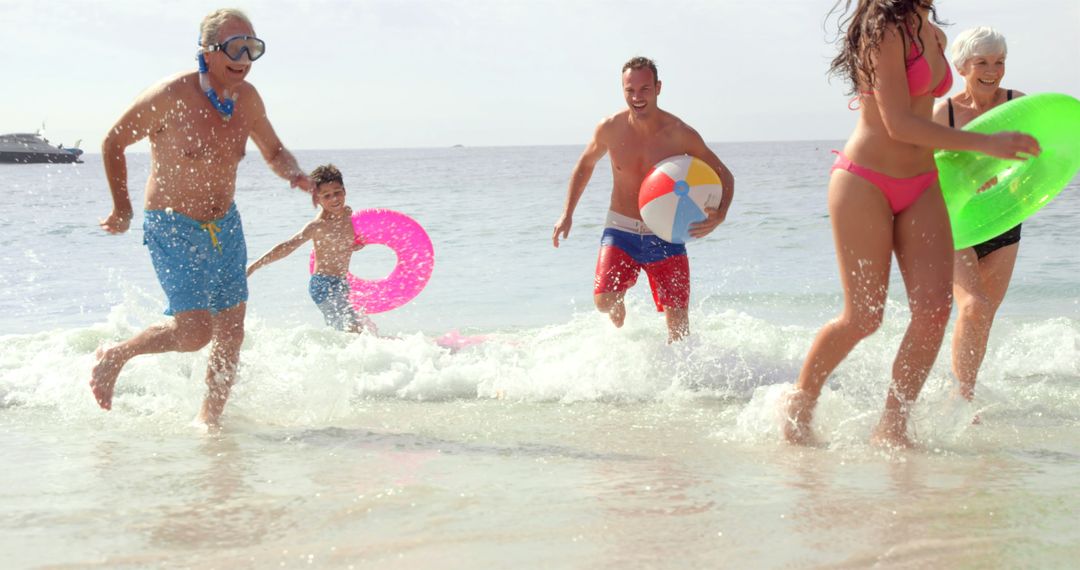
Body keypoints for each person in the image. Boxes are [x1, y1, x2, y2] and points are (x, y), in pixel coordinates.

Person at [783, 1, 1040, 448]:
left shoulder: (934, 34)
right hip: (865, 181)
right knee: (863, 317)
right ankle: (801, 401)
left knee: (935, 311)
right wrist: (987, 144)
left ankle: (893, 425)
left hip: (922, 183)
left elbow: (929, 116)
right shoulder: (882, 31)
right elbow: (899, 124)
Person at [92, 8, 313, 427]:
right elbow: (112, 142)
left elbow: (274, 151)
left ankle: (208, 423)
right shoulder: (171, 95)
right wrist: (122, 208)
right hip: (172, 224)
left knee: (231, 332)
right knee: (194, 333)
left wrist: (297, 176)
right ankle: (116, 354)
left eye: (253, 47)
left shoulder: (247, 100)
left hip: (225, 225)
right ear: (208, 52)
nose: (245, 57)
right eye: (235, 46)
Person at [551, 56, 735, 343]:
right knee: (603, 301)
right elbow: (585, 165)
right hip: (621, 227)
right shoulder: (609, 128)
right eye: (630, 90)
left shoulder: (680, 133)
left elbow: (725, 175)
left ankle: (679, 383)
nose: (637, 97)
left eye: (644, 89)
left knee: (678, 325)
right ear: (622, 90)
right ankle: (619, 300)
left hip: (666, 232)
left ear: (658, 87)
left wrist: (720, 214)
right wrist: (567, 213)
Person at [931, 27, 1023, 403]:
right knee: (975, 304)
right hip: (956, 223)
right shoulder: (946, 112)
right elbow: (927, 169)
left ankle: (963, 391)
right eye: (982, 61)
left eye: (999, 61)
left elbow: (1040, 155)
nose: (993, 69)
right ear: (963, 66)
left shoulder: (1018, 104)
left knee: (983, 316)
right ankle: (963, 395)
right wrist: (972, 176)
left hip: (1005, 218)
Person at [247, 164, 378, 334]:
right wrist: (254, 266)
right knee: (352, 330)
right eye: (326, 196)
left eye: (337, 193)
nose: (334, 199)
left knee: (353, 330)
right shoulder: (317, 226)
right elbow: (288, 246)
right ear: (317, 199)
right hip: (323, 284)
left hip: (342, 283)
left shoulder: (347, 214)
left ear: (344, 191)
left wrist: (354, 245)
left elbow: (339, 243)